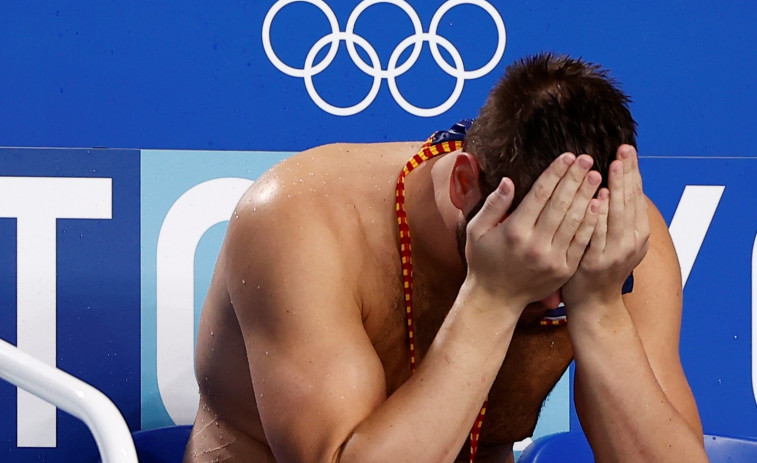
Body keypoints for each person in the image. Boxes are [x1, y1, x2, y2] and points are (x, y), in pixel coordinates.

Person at [183, 53, 707, 463]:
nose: (551, 294)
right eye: (534, 256)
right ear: (463, 184)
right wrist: (494, 298)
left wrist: (599, 304)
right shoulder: (302, 220)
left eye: (571, 273)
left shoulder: (626, 244)